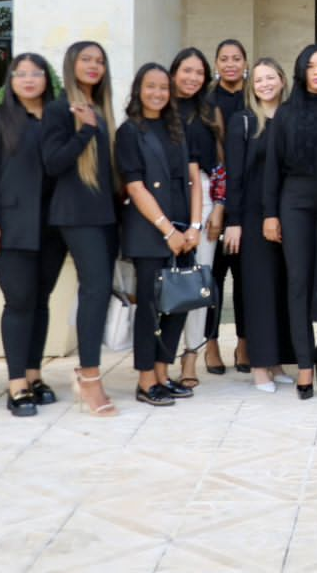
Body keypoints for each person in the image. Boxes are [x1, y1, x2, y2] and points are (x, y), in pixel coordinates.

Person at [0, 53, 67, 417]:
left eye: (36, 73)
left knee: (41, 301)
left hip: (52, 227)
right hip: (9, 228)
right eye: (20, 74)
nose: (29, 79)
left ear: (47, 79)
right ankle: (16, 385)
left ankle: (34, 374)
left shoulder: (58, 118)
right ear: (10, 81)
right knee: (19, 301)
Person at [263, 45, 317, 398]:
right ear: (301, 72)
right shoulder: (286, 114)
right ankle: (303, 363)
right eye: (310, 66)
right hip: (295, 202)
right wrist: (271, 214)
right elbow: (272, 168)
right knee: (298, 282)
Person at [116, 63, 203, 408]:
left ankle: (163, 374)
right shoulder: (129, 132)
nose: (157, 93)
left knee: (178, 303)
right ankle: (145, 380)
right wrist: (167, 230)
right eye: (150, 87)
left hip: (183, 229)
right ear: (139, 90)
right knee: (150, 308)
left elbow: (193, 180)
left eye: (163, 88)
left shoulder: (177, 128)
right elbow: (135, 187)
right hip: (150, 231)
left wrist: (194, 227)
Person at [41, 40, 119, 417]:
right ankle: (89, 376)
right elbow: (52, 163)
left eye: (100, 61)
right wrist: (84, 131)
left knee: (99, 293)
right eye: (86, 59)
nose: (94, 66)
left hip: (104, 214)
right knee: (96, 289)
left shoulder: (101, 109)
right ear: (71, 63)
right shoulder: (60, 108)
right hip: (75, 214)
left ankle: (86, 370)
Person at [230, 56, 291, 392]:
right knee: (258, 291)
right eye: (259, 80)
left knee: (282, 290)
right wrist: (234, 220)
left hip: (288, 215)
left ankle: (277, 360)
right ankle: (258, 366)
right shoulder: (243, 121)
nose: (265, 84)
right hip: (254, 218)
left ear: (282, 80)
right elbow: (235, 176)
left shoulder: (291, 117)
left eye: (271, 77)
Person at [171, 47, 225, 388]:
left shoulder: (210, 112)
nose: (192, 77)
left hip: (204, 198)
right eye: (186, 70)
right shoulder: (160, 107)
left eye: (198, 72)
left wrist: (220, 205)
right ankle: (160, 357)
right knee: (163, 280)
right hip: (164, 198)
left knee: (197, 280)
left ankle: (191, 356)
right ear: (174, 72)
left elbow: (221, 165)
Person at [207, 38, 249, 374]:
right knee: (213, 277)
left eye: (236, 58)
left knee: (247, 280)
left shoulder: (254, 96)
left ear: (245, 63)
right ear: (217, 63)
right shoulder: (207, 100)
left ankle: (244, 344)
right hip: (214, 196)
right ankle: (210, 345)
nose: (231, 64)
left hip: (250, 199)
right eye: (225, 58)